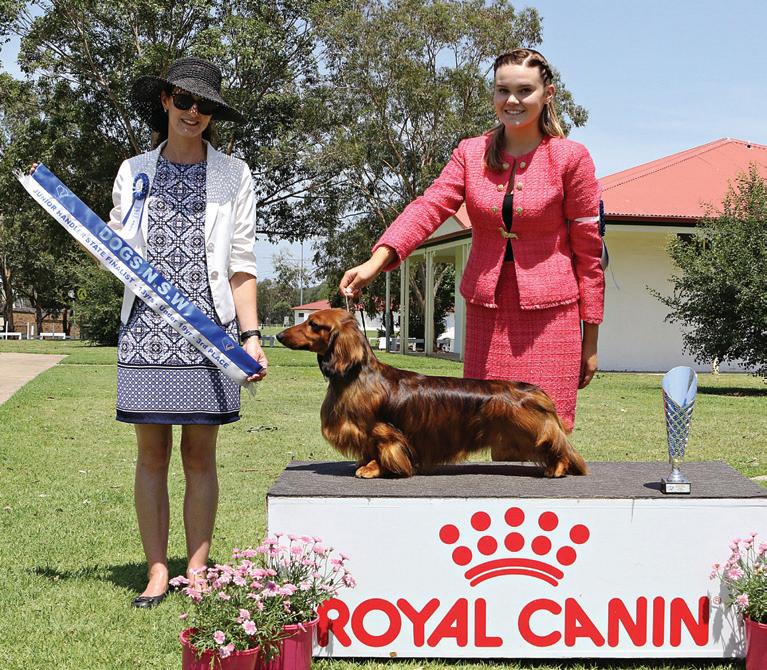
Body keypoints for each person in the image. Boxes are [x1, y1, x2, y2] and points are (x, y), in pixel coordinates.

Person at [340, 48, 604, 434]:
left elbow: (589, 253)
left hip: (553, 321)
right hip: (487, 317)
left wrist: (590, 340)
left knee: (546, 436)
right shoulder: (470, 153)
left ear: (548, 94)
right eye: (502, 90)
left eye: (525, 90)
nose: (512, 100)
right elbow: (429, 207)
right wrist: (375, 262)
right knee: (491, 430)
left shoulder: (571, 158)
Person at [111, 56, 267, 607]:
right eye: (183, 100)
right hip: (146, 333)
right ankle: (157, 571)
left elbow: (242, 264)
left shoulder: (234, 175)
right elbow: (117, 251)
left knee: (201, 456)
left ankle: (197, 571)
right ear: (165, 100)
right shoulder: (133, 171)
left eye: (204, 105)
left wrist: (250, 335)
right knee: (151, 456)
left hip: (209, 335)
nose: (193, 112)